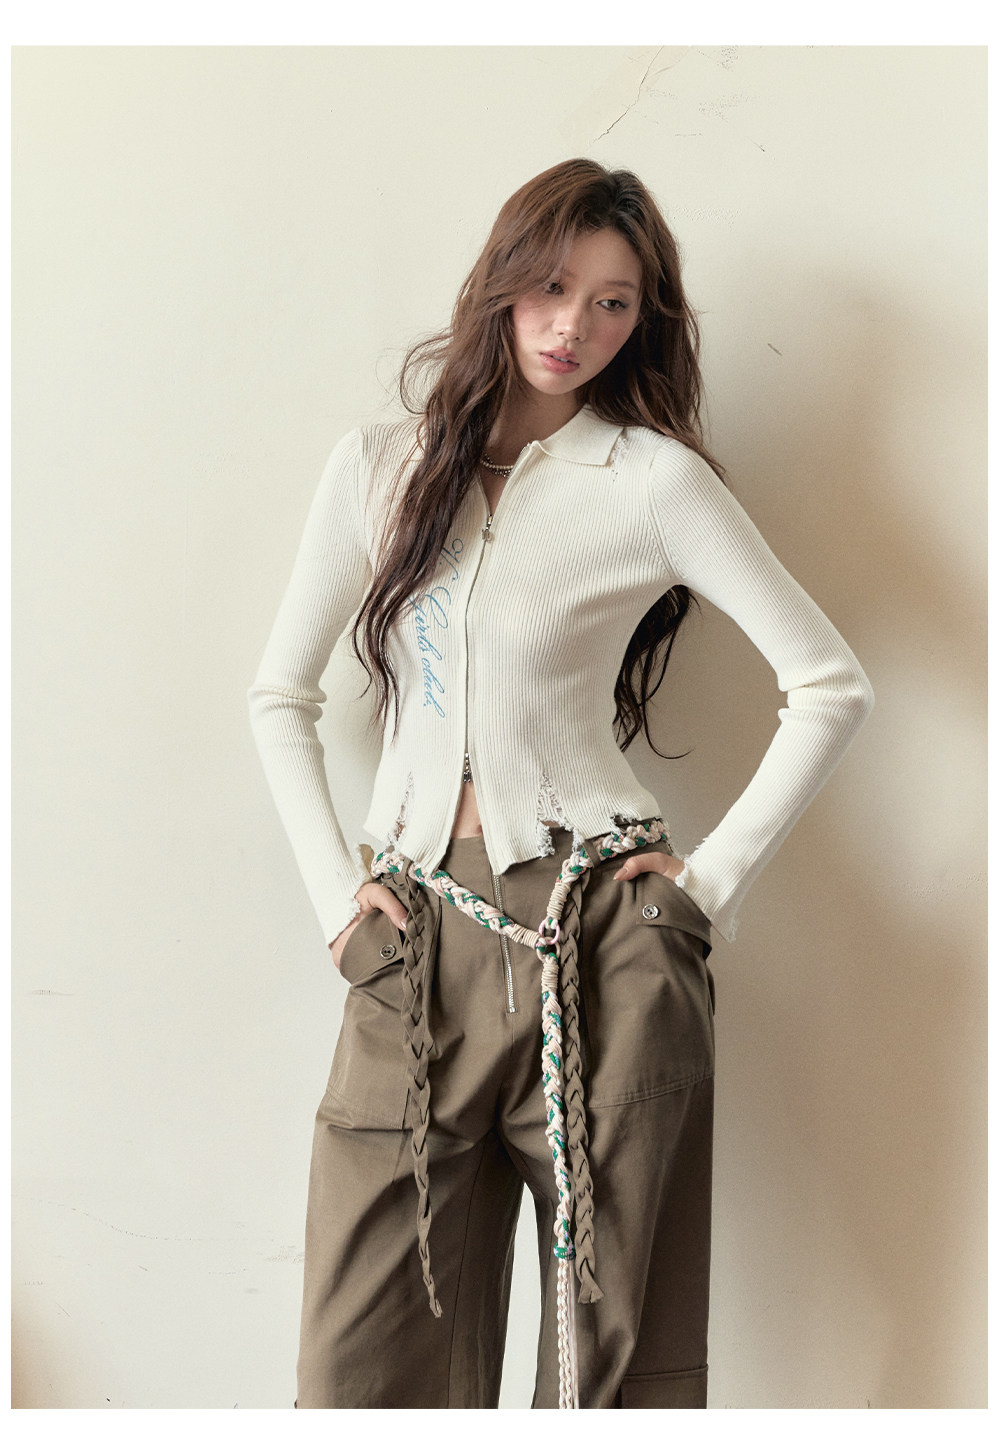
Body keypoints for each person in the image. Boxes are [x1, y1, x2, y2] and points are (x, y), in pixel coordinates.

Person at [247, 157, 874, 1411]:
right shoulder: (377, 466)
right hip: (411, 934)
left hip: (606, 936)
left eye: (611, 302)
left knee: (612, 1364)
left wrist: (699, 894)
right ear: (499, 282)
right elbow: (279, 697)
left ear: (643, 320)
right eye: (548, 288)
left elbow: (829, 685)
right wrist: (334, 909)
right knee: (362, 1361)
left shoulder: (649, 481)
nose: (571, 326)